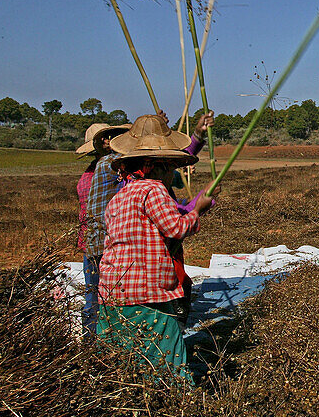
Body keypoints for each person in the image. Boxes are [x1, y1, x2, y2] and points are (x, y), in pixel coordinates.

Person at [97, 115, 219, 385]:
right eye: (170, 167)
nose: (172, 173)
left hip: (113, 292)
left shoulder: (120, 196)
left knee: (123, 366)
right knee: (165, 368)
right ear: (156, 166)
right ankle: (177, 410)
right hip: (149, 295)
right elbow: (175, 227)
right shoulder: (154, 189)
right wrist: (198, 208)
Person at [76, 121, 131, 341]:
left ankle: (91, 342)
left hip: (91, 241)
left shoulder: (91, 171)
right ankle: (100, 341)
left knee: (93, 293)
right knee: (105, 296)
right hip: (103, 242)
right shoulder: (108, 167)